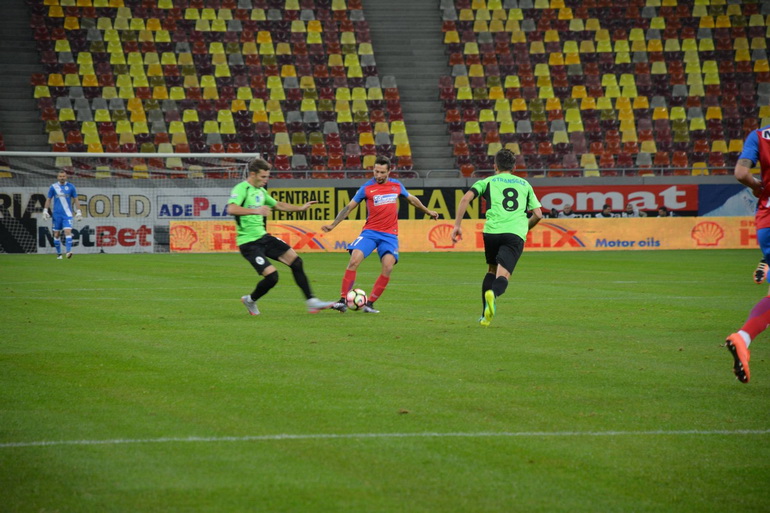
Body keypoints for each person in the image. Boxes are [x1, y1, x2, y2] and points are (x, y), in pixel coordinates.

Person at [321, 155, 439, 313]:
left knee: (388, 266)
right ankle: (342, 301)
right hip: (370, 232)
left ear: (389, 171)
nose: (378, 175)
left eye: (382, 172)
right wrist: (333, 225)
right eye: (376, 171)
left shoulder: (396, 186)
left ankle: (369, 304)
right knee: (354, 260)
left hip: (389, 235)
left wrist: (428, 211)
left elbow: (412, 200)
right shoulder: (366, 188)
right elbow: (349, 207)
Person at [227, 158, 335, 316]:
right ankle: (250, 300)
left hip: (263, 237)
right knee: (272, 277)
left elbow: (278, 205)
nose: (265, 180)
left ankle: (312, 301)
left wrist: (300, 208)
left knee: (296, 261)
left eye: (267, 177)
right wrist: (256, 211)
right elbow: (232, 208)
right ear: (252, 174)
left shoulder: (261, 191)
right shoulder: (242, 188)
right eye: (263, 177)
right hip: (249, 243)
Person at [451, 148, 543, 327]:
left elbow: (465, 199)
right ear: (514, 167)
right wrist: (525, 227)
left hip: (491, 232)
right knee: (503, 276)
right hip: (513, 233)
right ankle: (493, 293)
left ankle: (485, 315)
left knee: (491, 270)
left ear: (495, 166)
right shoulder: (524, 184)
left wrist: (457, 226)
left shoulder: (486, 181)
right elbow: (538, 214)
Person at [725, 124, 770, 383]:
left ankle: (743, 338)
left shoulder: (759, 135)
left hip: (767, 219)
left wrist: (758, 187)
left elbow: (742, 173)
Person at [43, 170, 82, 259]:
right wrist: (45, 210)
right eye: (60, 176)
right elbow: (48, 199)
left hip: (67, 214)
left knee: (68, 232)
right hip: (56, 214)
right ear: (57, 177)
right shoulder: (53, 187)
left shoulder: (71, 187)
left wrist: (78, 211)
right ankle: (59, 254)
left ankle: (68, 252)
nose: (62, 178)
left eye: (63, 176)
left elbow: (76, 199)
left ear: (66, 177)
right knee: (56, 234)